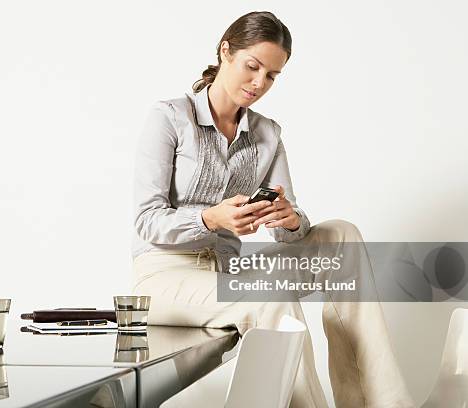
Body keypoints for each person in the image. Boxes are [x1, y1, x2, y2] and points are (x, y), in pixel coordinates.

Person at [131, 11, 414, 408]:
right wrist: (210, 218)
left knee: (341, 235)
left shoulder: (267, 134)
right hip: (166, 278)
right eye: (253, 66)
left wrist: (290, 218)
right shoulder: (169, 118)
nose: (259, 83)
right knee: (271, 296)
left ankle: (381, 403)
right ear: (225, 51)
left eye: (272, 75)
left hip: (231, 272)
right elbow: (147, 221)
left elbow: (288, 231)